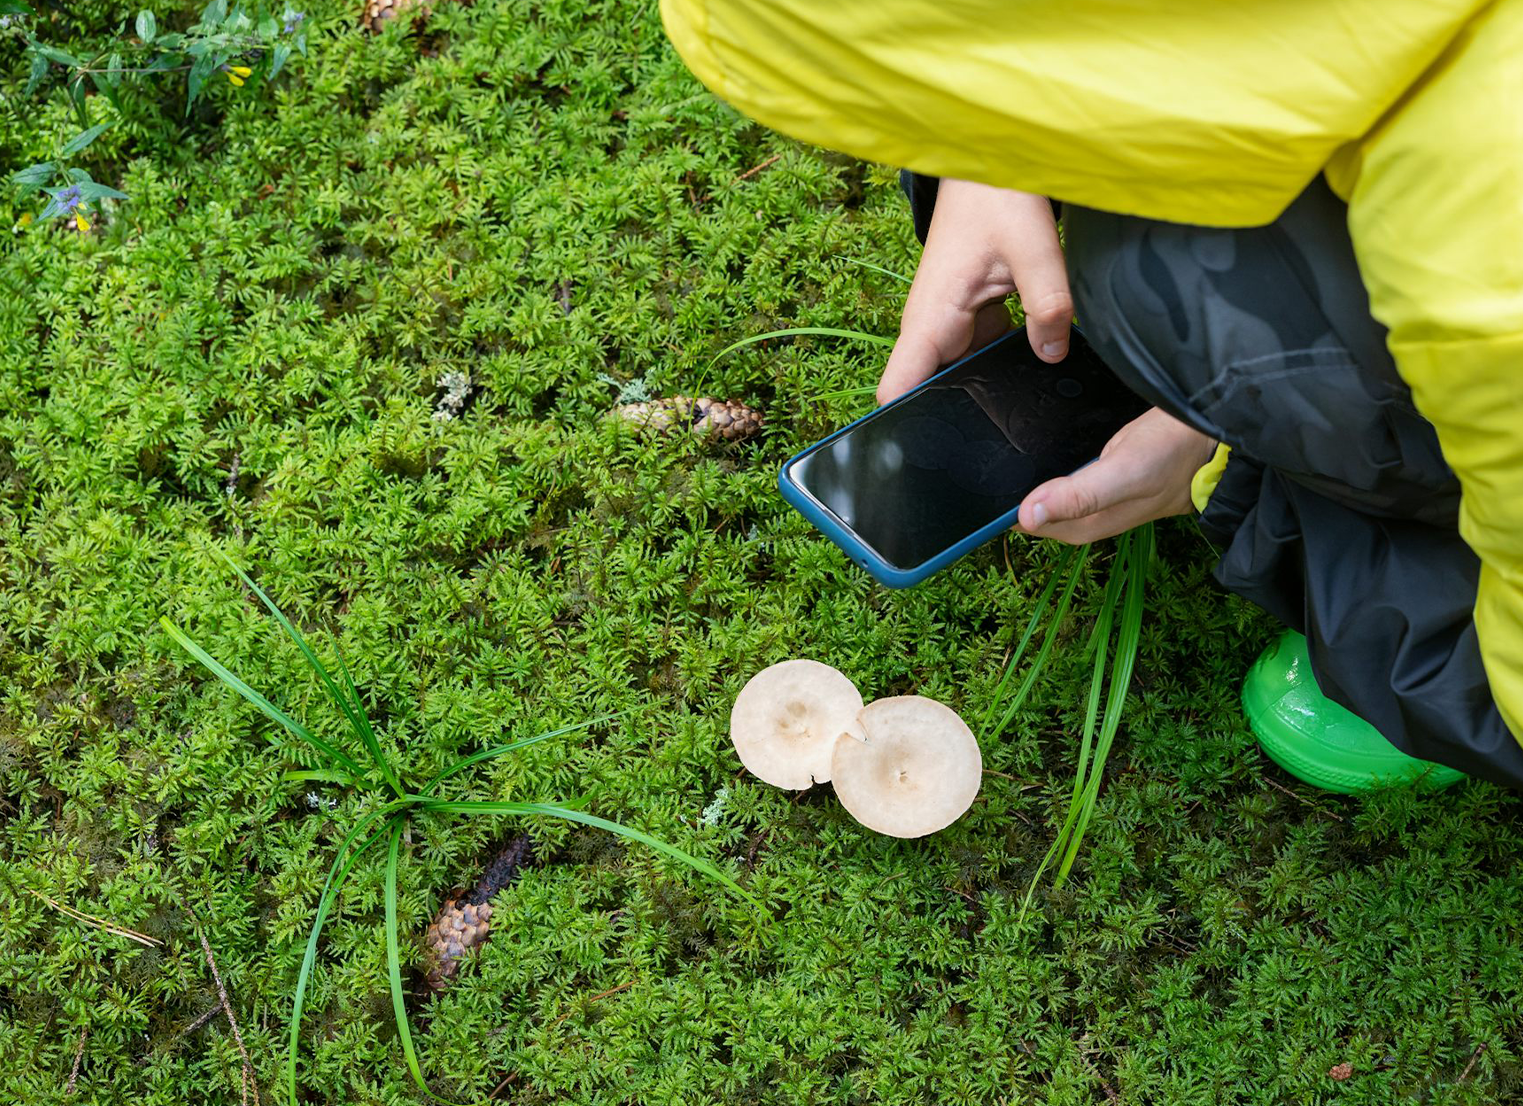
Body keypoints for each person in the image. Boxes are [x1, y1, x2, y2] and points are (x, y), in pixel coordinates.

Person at [659, 0, 1523, 792]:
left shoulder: (1487, 293)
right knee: (1144, 285)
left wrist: (1229, 474)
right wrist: (993, 166)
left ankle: (1407, 555)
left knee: (1147, 294)